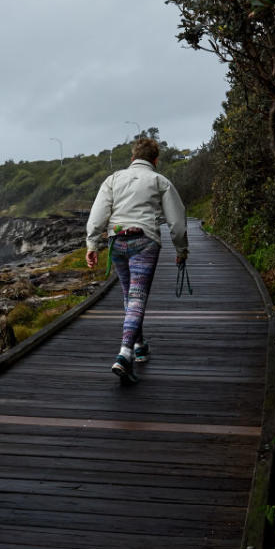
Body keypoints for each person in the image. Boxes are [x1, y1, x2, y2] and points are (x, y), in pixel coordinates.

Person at [85, 137, 188, 385]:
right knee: (137, 297)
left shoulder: (113, 179)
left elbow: (98, 213)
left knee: (129, 296)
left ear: (132, 158)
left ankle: (139, 346)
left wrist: (91, 244)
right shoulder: (159, 180)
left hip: (117, 242)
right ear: (155, 159)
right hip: (144, 241)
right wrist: (181, 249)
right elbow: (176, 221)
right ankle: (124, 353)